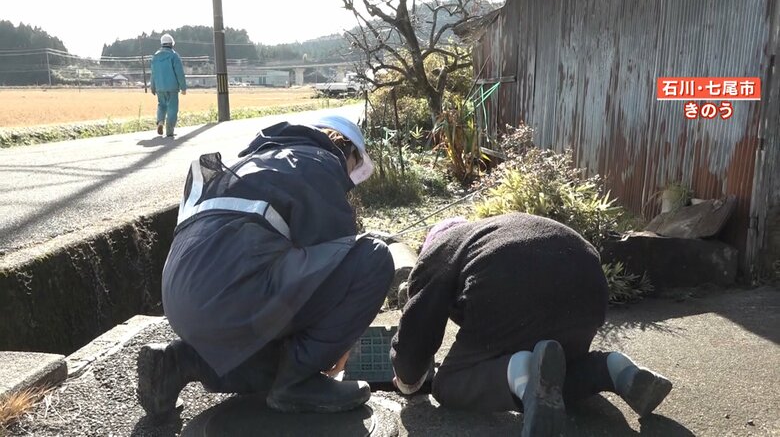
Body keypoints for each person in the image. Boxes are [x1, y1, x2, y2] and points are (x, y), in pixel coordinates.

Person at [136, 115, 394, 421]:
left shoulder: (249, 162)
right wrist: (339, 343)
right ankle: (298, 383)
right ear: (346, 149)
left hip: (183, 304)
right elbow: (338, 260)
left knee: (282, 360)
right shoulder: (318, 160)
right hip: (236, 295)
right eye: (354, 166)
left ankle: (181, 362)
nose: (349, 178)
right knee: (374, 257)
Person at [390, 213, 672, 437]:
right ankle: (613, 369)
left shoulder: (438, 250)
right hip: (588, 282)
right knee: (557, 373)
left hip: (509, 283)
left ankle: (520, 372)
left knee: (449, 384)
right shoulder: (491, 230)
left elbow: (417, 335)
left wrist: (407, 379)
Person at [150, 34, 187, 138]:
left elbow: (153, 74)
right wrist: (183, 87)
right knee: (172, 109)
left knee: (161, 105)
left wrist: (153, 87)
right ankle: (169, 131)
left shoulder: (155, 57)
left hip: (159, 87)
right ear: (171, 44)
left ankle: (160, 122)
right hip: (172, 87)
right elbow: (179, 73)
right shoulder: (174, 56)